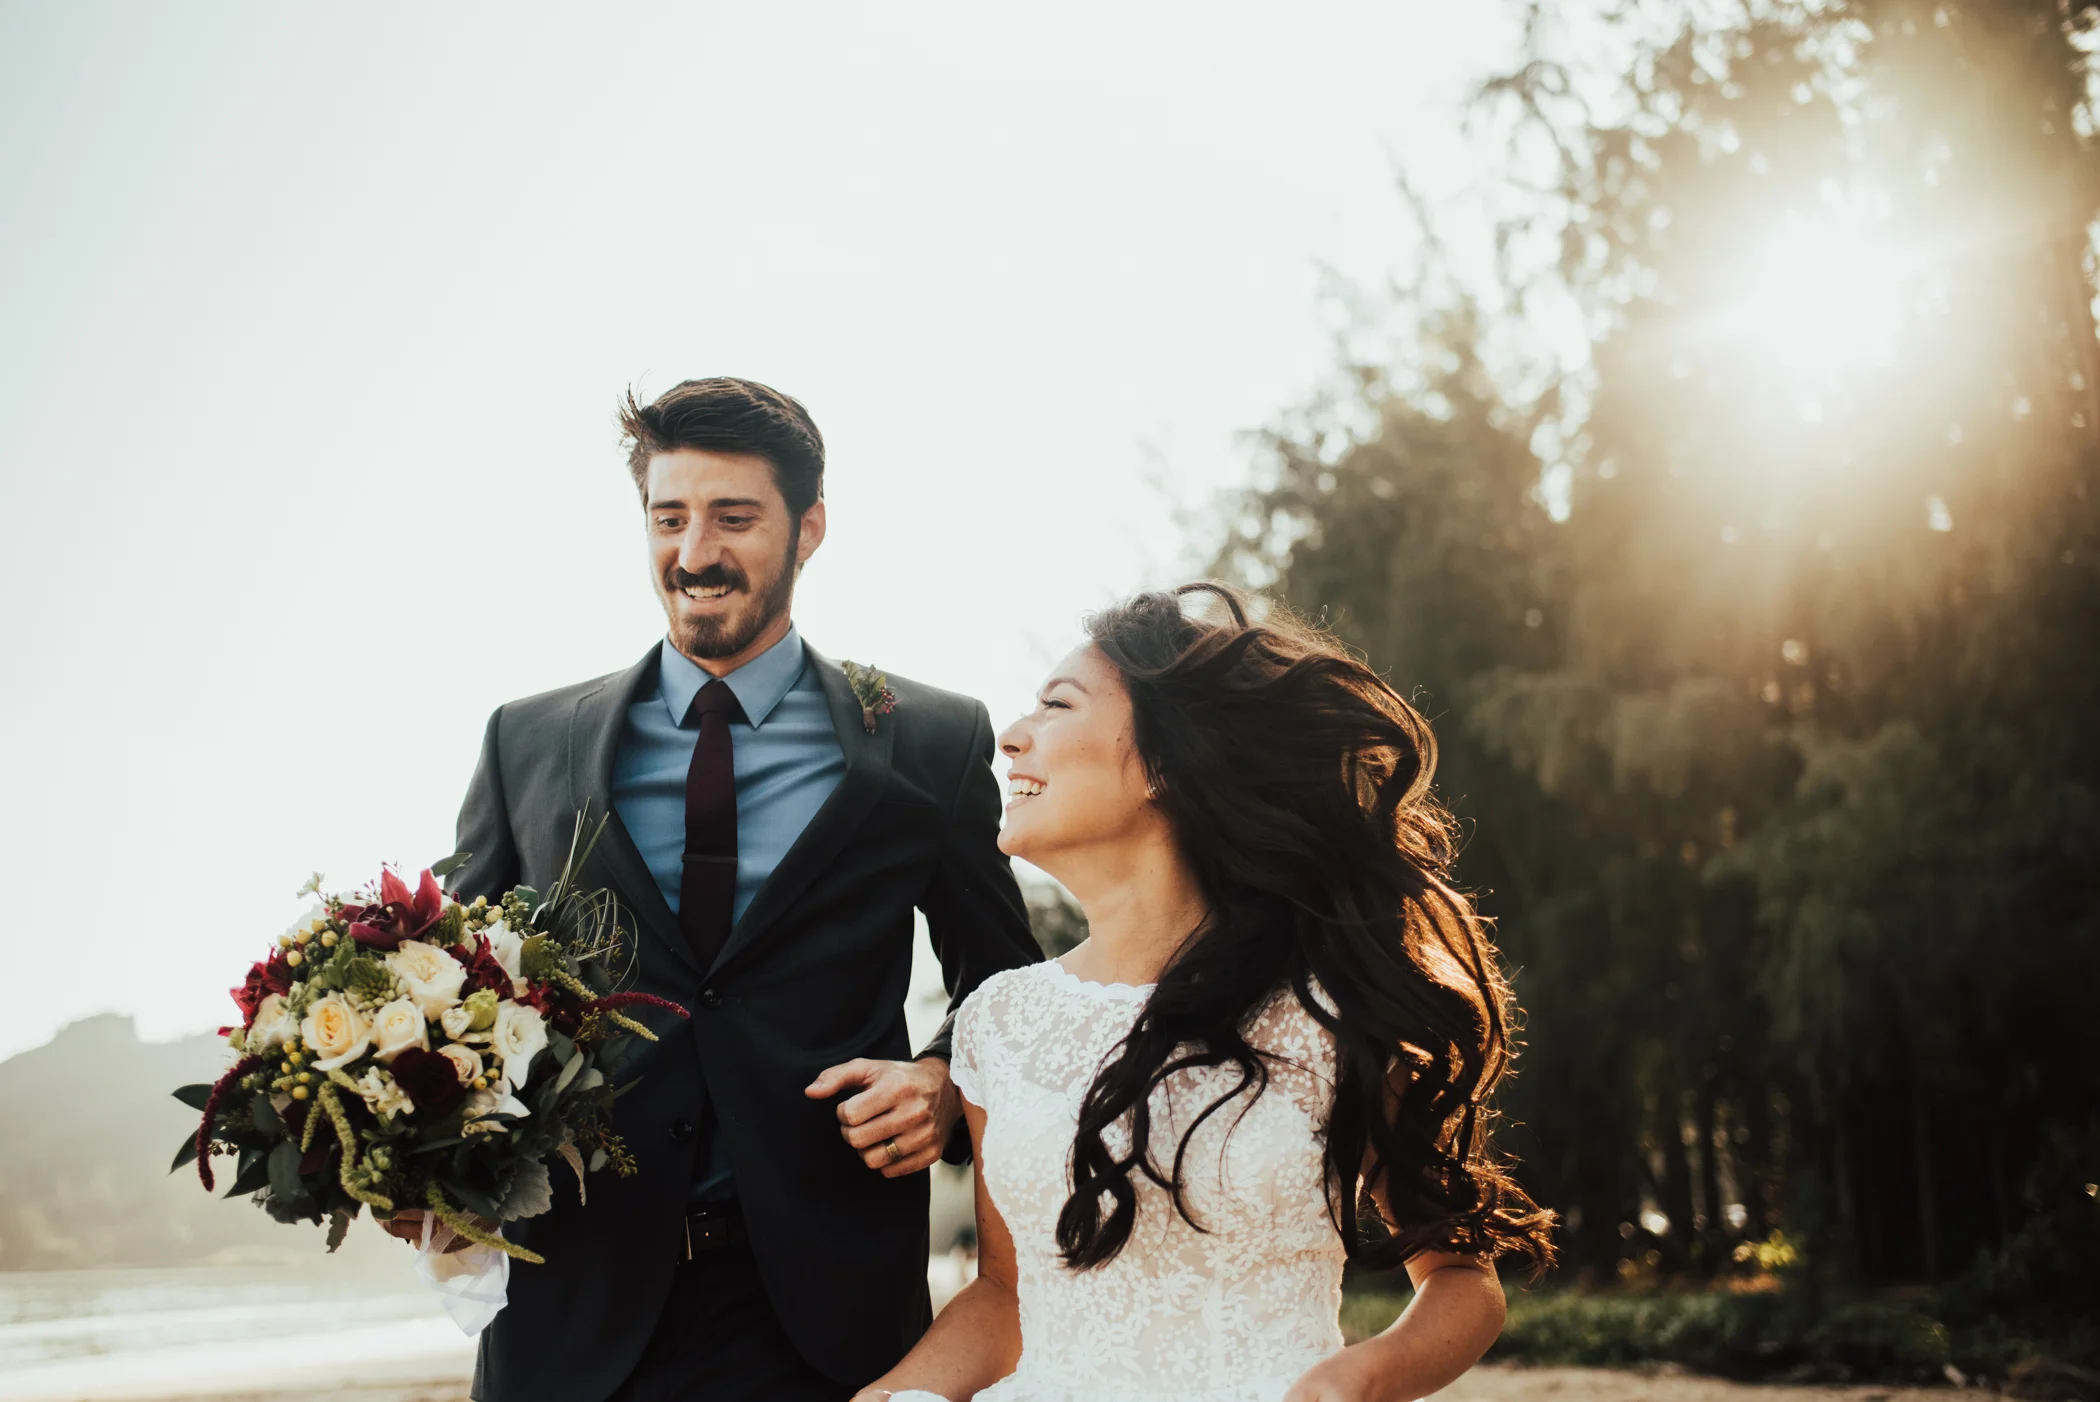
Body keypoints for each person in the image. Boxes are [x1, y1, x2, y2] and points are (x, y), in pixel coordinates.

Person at [388, 376, 1041, 1402]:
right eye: (669, 518)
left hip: (829, 1319)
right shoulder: (525, 740)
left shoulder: (930, 739)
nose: (694, 552)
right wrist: (410, 1146)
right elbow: (452, 982)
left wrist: (944, 1082)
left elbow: (1008, 982)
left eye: (733, 518)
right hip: (570, 1317)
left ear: (809, 527)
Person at [854, 584, 1556, 1402]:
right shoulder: (998, 1023)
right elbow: (1006, 1295)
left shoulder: (1327, 1013)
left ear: (1165, 762)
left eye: (1057, 705)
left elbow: (1463, 1281)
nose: (1011, 736)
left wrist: (1353, 1378)